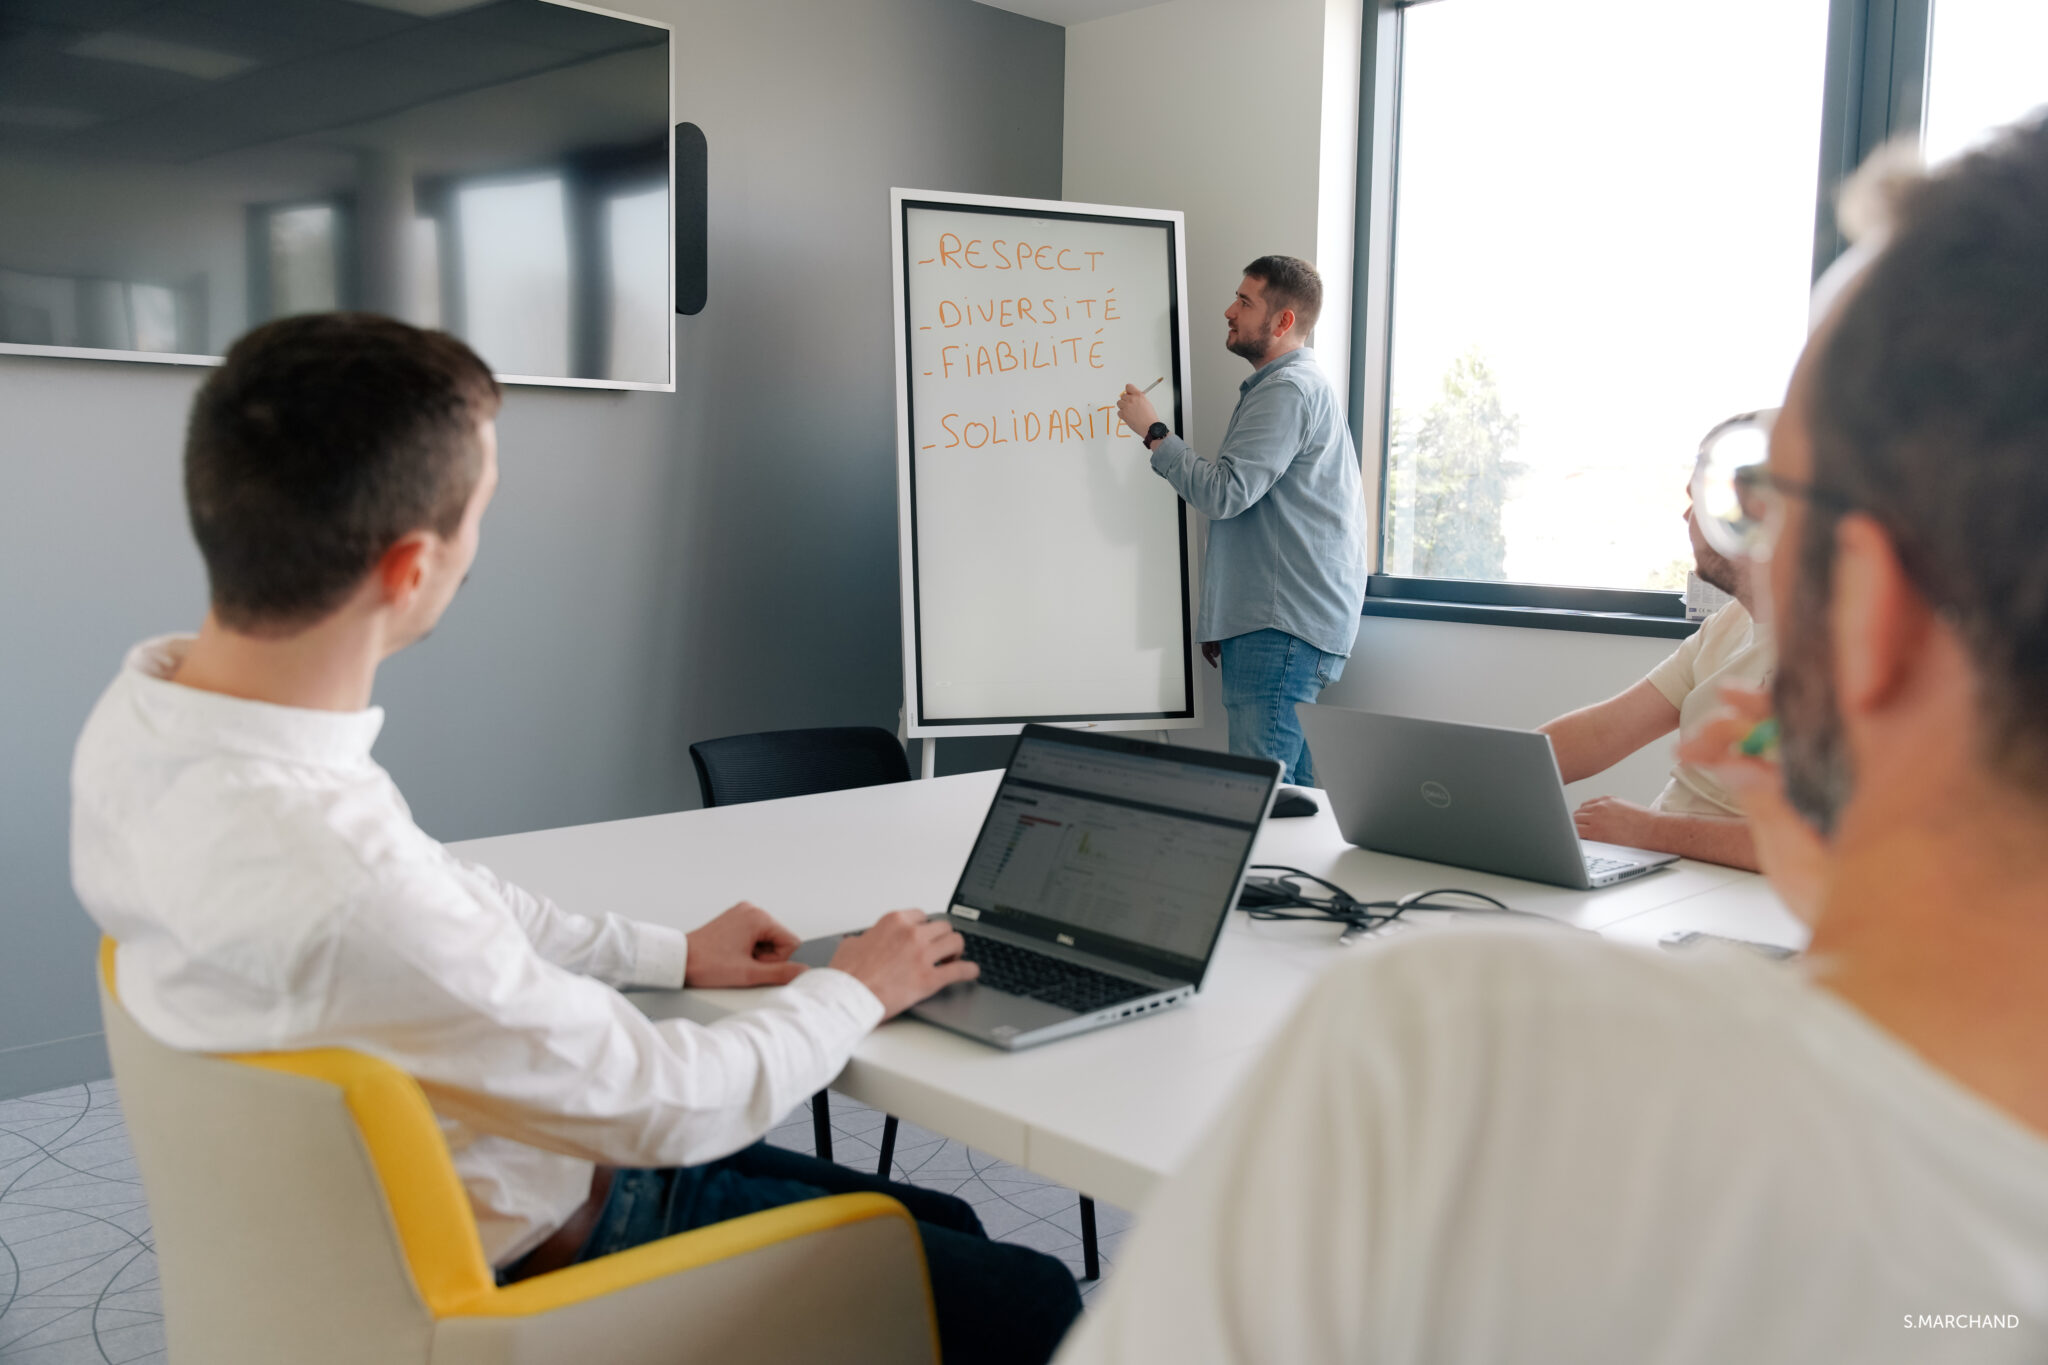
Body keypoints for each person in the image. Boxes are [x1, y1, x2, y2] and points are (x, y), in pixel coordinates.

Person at [1056, 121, 2048, 1363]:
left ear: (1876, 614)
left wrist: (1151, 439)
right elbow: (1602, 728)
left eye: (1775, 507)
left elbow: (1224, 498)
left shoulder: (1457, 1056)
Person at [70, 314, 1081, 1365]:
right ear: (413, 568)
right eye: (482, 512)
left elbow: (435, 892)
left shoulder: (154, 719)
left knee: (948, 1230)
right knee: (1029, 1296)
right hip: (550, 1248)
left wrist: (668, 952)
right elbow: (664, 1103)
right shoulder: (344, 885)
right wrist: (857, 989)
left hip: (427, 1202)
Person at [1115, 256, 1367, 786]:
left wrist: (1154, 432)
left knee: (1264, 802)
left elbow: (1227, 493)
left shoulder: (1286, 391)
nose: (1229, 310)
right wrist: (1226, 617)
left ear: (1283, 322)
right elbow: (1262, 515)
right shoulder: (1292, 386)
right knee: (1295, 806)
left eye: (1245, 302)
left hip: (1280, 627)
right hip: (1278, 622)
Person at [1535, 476, 1772, 871]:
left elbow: (1824, 846)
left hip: (1734, 889)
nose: (1685, 516)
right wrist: (1485, 778)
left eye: (1698, 503)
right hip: (1670, 869)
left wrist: (1648, 830)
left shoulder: (1844, 651)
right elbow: (1603, 732)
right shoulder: (1727, 624)